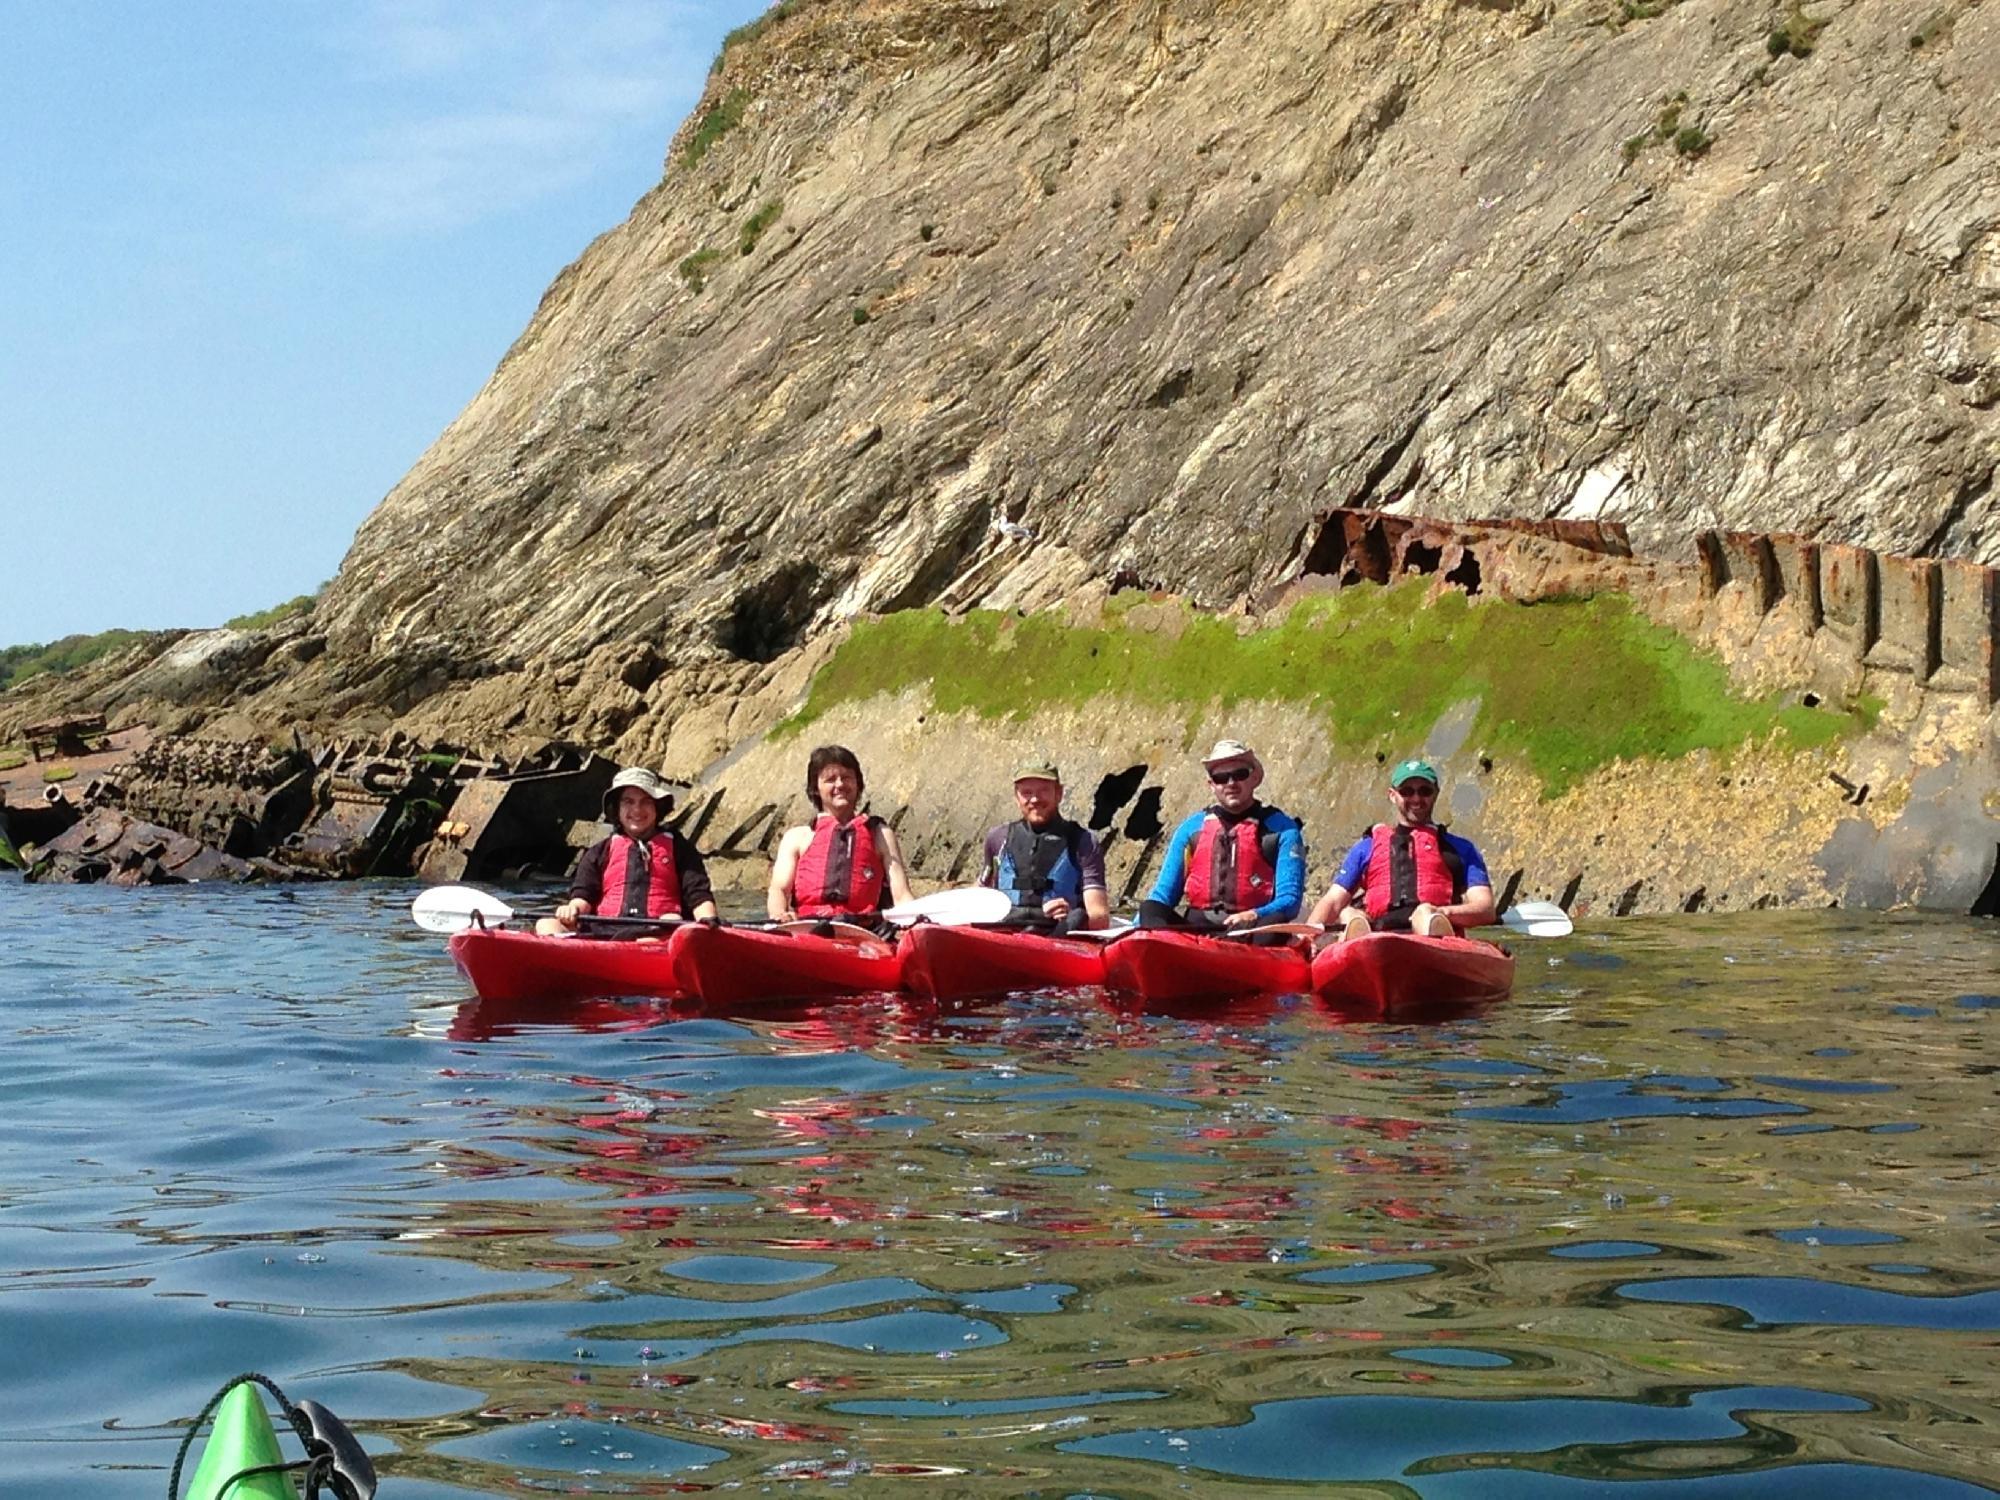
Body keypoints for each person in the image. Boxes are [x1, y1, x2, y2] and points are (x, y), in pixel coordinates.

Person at [1308, 757, 1496, 940]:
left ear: (1436, 793)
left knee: (1424, 913)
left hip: (1433, 934)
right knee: (1349, 913)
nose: (1416, 798)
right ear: (1392, 795)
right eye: (1407, 791)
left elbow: (1485, 909)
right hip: (1378, 937)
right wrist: (1305, 940)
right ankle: (1360, 945)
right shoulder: (1367, 848)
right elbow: (1333, 902)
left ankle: (1430, 928)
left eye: (1424, 791)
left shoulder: (1460, 848)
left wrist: (1441, 912)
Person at [1140, 739, 1306, 933]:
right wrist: (1136, 927)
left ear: (1253, 779)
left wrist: (1254, 914)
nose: (1231, 783)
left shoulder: (1282, 830)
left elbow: (1290, 901)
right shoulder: (1190, 829)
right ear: (1211, 785)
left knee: (1275, 921)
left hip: (1250, 930)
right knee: (1149, 908)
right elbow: (1163, 894)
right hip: (1196, 928)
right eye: (1221, 778)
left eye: (1239, 774)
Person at [541, 767, 719, 935]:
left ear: (657, 807)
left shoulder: (681, 849)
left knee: (671, 920)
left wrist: (708, 923)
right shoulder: (599, 852)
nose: (637, 810)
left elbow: (698, 896)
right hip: (604, 932)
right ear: (617, 809)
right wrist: (572, 910)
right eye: (628, 802)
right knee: (546, 925)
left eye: (646, 802)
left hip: (660, 931)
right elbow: (583, 896)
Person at [768, 744, 917, 928]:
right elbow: (779, 889)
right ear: (816, 788)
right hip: (808, 928)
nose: (839, 784)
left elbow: (902, 896)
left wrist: (913, 926)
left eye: (846, 777)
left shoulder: (880, 835)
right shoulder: (797, 838)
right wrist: (779, 915)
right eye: (830, 779)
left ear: (857, 784)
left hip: (863, 930)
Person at [978, 759, 1112, 931]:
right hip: (1005, 932)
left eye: (1043, 791)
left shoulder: (1083, 842)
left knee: (1077, 916)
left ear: (1059, 793)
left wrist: (1070, 914)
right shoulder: (997, 838)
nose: (1034, 799)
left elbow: (1100, 917)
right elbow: (979, 894)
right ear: (1016, 797)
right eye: (1026, 792)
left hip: (1057, 934)